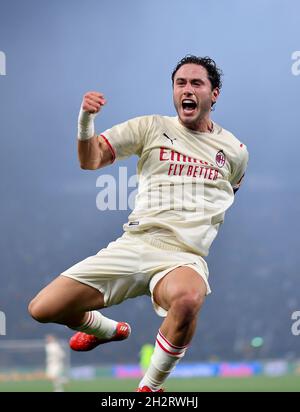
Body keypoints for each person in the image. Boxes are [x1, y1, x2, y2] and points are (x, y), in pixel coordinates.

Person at [28, 55, 248, 392]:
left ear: (214, 93)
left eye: (196, 83)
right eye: (180, 83)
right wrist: (86, 120)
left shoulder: (235, 151)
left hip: (182, 256)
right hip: (136, 243)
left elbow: (231, 188)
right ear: (174, 91)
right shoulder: (150, 127)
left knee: (189, 298)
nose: (186, 90)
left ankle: (150, 389)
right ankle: (108, 330)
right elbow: (90, 160)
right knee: (42, 308)